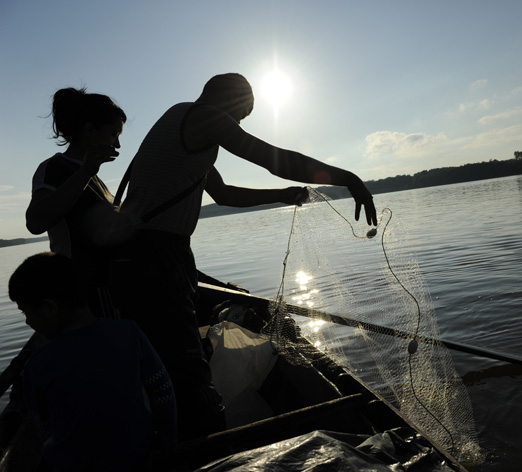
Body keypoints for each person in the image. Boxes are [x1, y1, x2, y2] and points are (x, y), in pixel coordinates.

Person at [110, 72, 378, 441]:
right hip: (157, 257)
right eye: (242, 114)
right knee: (187, 369)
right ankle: (205, 451)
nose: (237, 124)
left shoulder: (181, 124)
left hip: (143, 256)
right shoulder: (204, 117)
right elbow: (274, 159)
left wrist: (281, 196)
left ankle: (179, 432)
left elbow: (222, 194)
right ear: (230, 100)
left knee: (170, 358)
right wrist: (348, 177)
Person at [8, 252, 177, 472]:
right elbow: (164, 393)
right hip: (137, 459)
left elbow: (45, 426)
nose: (28, 322)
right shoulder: (130, 333)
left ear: (50, 308)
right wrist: (166, 446)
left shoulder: (36, 365)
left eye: (26, 313)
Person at [25, 87, 126, 316]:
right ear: (89, 130)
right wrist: (85, 173)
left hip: (109, 288)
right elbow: (35, 222)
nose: (117, 145)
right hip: (81, 292)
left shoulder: (95, 177)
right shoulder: (55, 168)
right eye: (113, 134)